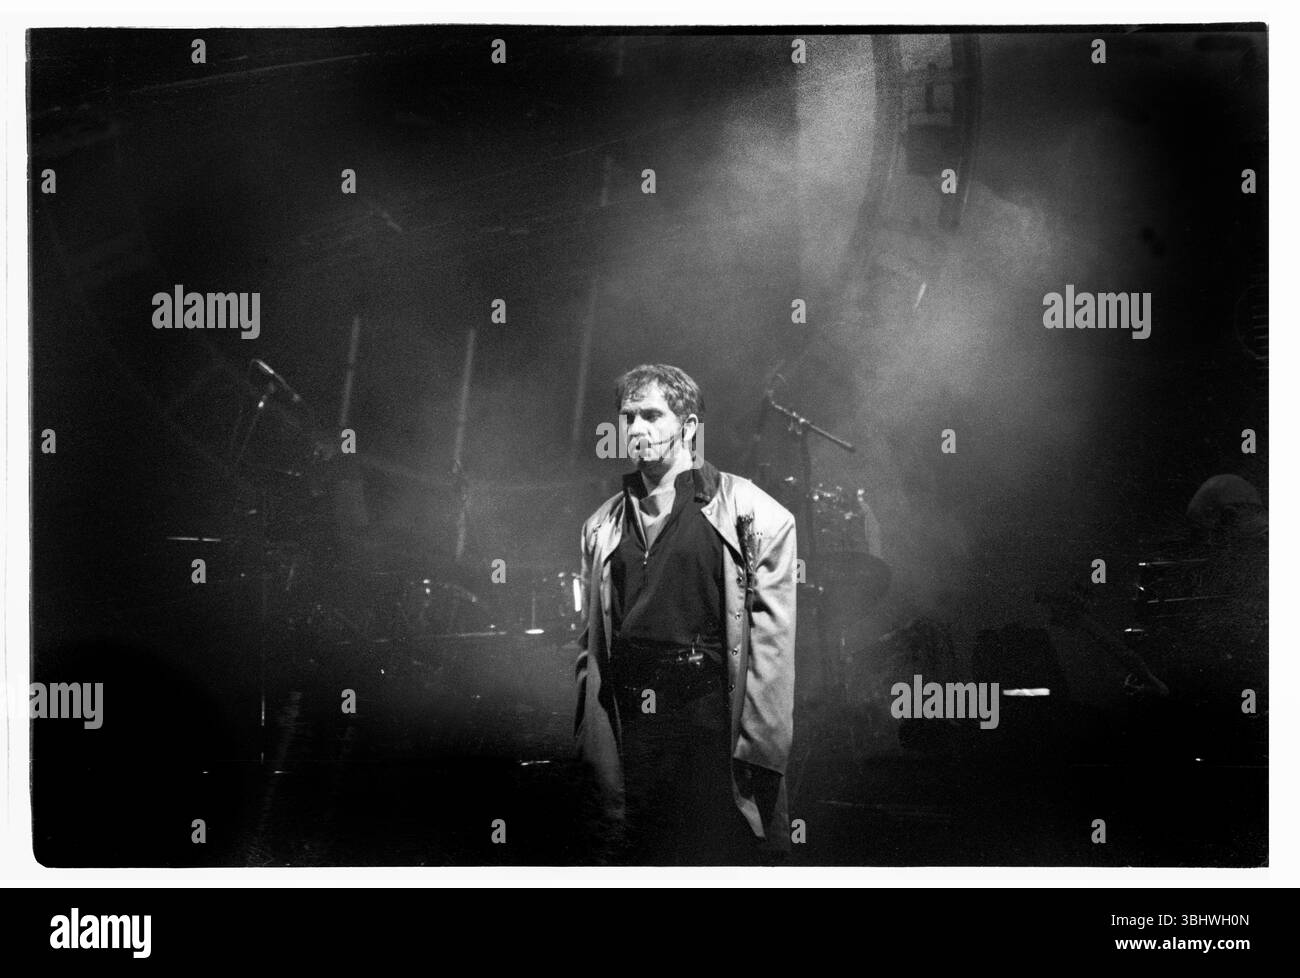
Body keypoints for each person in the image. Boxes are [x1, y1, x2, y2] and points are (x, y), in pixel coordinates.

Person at [573, 364, 797, 864]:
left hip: (709, 722)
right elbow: (591, 645)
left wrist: (758, 753)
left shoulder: (756, 516)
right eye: (628, 417)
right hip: (634, 723)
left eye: (652, 415)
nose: (636, 429)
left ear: (689, 427)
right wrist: (590, 738)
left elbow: (772, 649)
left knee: (711, 855)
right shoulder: (601, 527)